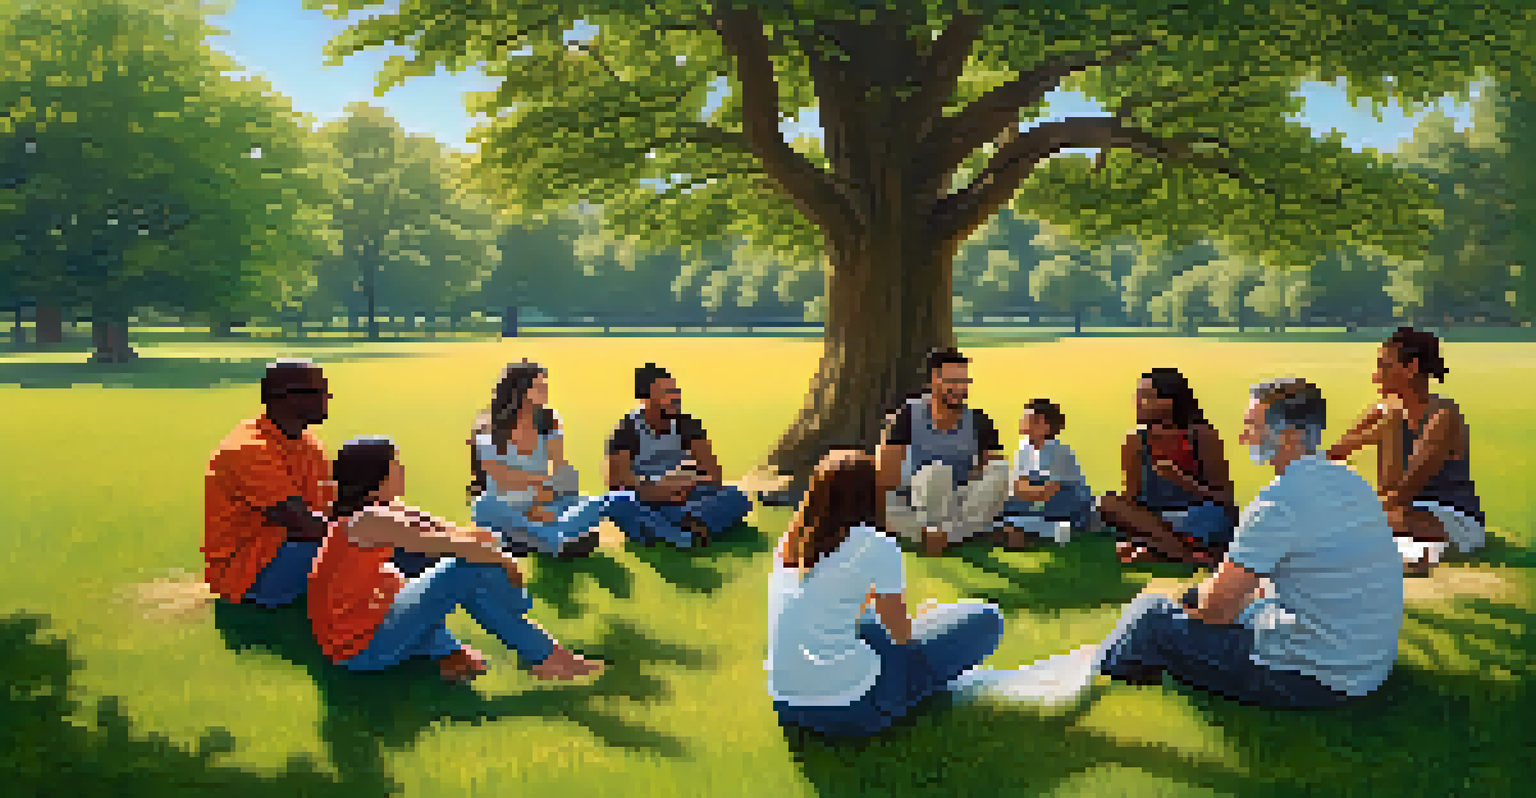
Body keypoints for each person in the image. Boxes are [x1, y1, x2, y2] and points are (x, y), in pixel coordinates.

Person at [991, 379, 1402, 709]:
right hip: (1367, 665)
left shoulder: (1279, 503)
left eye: (1253, 427)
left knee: (1152, 612)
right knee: (1213, 599)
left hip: (1313, 678)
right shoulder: (1351, 483)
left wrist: (1192, 602)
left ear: (1291, 438)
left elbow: (1216, 610)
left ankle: (1106, 667)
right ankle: (1132, 647)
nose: (1244, 437)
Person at [310, 436, 603, 684]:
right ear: (376, 476)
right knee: (463, 569)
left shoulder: (379, 510)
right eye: (395, 464)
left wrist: (489, 543)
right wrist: (507, 564)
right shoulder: (368, 520)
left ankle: (545, 655)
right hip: (359, 648)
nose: (401, 469)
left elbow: (449, 530)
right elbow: (448, 546)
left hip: (372, 623)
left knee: (469, 564)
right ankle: (542, 654)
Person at [766, 449, 1005, 737]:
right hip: (857, 708)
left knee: (875, 627)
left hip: (786, 703)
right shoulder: (875, 544)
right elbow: (902, 637)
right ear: (871, 495)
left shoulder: (791, 543)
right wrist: (927, 620)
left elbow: (847, 610)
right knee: (987, 619)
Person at [1326, 328, 1486, 576]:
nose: (1375, 377)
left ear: (1411, 368)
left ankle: (1404, 553)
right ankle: (1408, 554)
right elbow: (1332, 455)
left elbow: (1405, 490)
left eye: (1384, 367)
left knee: (1361, 523)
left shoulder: (1443, 416)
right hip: (1401, 513)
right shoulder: (1385, 409)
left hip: (1451, 518)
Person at [468, 361, 637, 558]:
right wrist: (538, 491)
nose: (546, 389)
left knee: (598, 501)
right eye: (539, 385)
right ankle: (554, 539)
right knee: (483, 504)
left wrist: (542, 501)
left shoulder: (550, 422)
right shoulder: (488, 429)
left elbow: (559, 470)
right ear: (521, 390)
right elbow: (500, 477)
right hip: (505, 507)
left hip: (545, 504)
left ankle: (527, 538)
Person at [203, 360, 335, 608]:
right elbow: (304, 525)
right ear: (284, 398)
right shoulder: (248, 450)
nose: (327, 397)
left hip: (291, 548)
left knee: (391, 535)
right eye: (317, 391)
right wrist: (377, 533)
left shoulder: (310, 445)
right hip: (251, 574)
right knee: (370, 549)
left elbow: (331, 509)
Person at [878, 347, 1012, 557]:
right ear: (934, 380)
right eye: (952, 382)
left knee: (1001, 468)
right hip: (918, 499)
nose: (960, 389)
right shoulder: (907, 415)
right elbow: (887, 478)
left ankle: (940, 535)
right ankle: (961, 531)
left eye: (964, 382)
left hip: (961, 500)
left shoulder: (979, 420)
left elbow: (992, 477)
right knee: (937, 473)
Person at [602, 363, 753, 549]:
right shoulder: (626, 430)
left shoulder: (687, 424)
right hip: (644, 496)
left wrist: (687, 483)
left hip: (686, 494)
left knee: (737, 496)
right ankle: (685, 526)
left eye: (675, 391)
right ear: (646, 399)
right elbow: (616, 481)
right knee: (618, 502)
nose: (675, 397)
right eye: (666, 393)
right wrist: (657, 490)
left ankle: (667, 526)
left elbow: (714, 475)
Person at [1098, 368, 1238, 565]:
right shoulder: (1135, 441)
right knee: (1108, 502)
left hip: (1199, 515)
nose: (1137, 403)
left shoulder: (1202, 436)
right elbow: (1132, 499)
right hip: (1158, 520)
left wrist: (1181, 480)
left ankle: (1165, 548)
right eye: (1137, 396)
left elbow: (1226, 499)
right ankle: (1184, 553)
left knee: (1135, 547)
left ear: (1169, 402)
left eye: (1146, 397)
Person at [993, 398, 1098, 550]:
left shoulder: (1060, 452)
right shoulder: (1023, 448)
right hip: (1034, 499)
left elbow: (1047, 493)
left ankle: (1022, 527)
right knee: (998, 503)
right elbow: (1019, 484)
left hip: (1067, 501)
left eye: (1034, 421)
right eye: (1026, 418)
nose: (1026, 423)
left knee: (1007, 507)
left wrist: (1017, 492)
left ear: (1048, 428)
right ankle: (1020, 527)